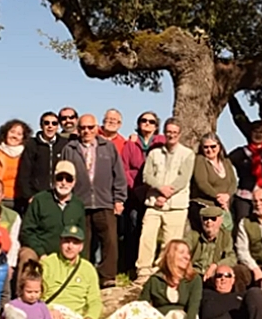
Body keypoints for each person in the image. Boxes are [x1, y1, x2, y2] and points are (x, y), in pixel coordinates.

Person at [63, 114, 128, 288]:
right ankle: (81, 276)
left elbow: (119, 175)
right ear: (78, 129)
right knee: (82, 242)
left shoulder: (108, 147)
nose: (87, 131)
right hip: (79, 202)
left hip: (105, 201)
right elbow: (64, 174)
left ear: (96, 127)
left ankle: (107, 277)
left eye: (90, 127)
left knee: (110, 242)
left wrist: (119, 199)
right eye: (83, 128)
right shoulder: (70, 148)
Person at [139, 239, 216, 319]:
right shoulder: (155, 280)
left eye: (188, 253)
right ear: (171, 255)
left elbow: (193, 306)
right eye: (182, 252)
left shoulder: (194, 279)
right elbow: (141, 306)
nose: (187, 256)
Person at [136, 119, 195, 282]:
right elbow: (147, 175)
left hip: (176, 205)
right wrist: (160, 189)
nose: (172, 135)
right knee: (147, 237)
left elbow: (183, 179)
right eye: (169, 132)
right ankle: (143, 271)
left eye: (175, 132)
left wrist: (167, 194)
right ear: (164, 132)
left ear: (180, 134)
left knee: (170, 243)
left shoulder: (187, 154)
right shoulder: (154, 153)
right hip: (154, 203)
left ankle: (161, 271)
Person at [41, 225, 100, 319]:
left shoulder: (88, 269)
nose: (70, 246)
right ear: (60, 242)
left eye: (75, 243)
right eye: (67, 241)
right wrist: (47, 310)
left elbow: (95, 301)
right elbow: (34, 296)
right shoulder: (47, 263)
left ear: (81, 247)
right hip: (51, 316)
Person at [17, 161, 86, 276]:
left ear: (74, 182)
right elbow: (27, 232)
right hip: (41, 252)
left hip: (67, 253)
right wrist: (41, 253)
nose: (64, 183)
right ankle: (22, 293)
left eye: (68, 179)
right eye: (60, 178)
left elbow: (82, 236)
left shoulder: (78, 205)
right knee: (27, 257)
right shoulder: (40, 200)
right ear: (54, 180)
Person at [121, 111, 165, 275]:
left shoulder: (161, 142)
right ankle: (130, 265)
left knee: (152, 231)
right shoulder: (130, 144)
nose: (147, 123)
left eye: (151, 121)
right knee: (133, 227)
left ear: (156, 125)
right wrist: (136, 189)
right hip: (134, 192)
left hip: (154, 192)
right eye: (143, 120)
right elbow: (124, 168)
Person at [228, 121, 262, 226]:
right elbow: (225, 164)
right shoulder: (240, 153)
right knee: (242, 224)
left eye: (261, 132)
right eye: (255, 132)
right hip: (244, 196)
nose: (258, 135)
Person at [15, 111, 68, 211]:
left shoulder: (64, 144)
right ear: (41, 125)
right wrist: (29, 196)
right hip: (37, 196)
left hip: (60, 196)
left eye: (54, 123)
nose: (50, 126)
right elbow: (24, 173)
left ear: (58, 126)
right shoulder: (31, 145)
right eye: (46, 123)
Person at [189, 133, 236, 231]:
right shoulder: (200, 160)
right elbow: (202, 183)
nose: (209, 150)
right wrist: (218, 197)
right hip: (205, 206)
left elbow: (233, 182)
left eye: (213, 146)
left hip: (224, 206)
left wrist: (227, 195)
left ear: (219, 146)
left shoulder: (226, 162)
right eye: (206, 147)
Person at [185, 206, 237, 282]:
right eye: (205, 219)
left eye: (213, 219)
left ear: (220, 220)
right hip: (194, 274)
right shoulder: (193, 235)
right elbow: (183, 254)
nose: (209, 222)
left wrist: (216, 266)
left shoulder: (226, 236)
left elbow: (232, 258)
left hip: (215, 276)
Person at [0, 119, 31, 209]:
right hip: (0, 199)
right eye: (12, 132)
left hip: (20, 200)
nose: (14, 136)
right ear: (5, 133)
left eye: (19, 134)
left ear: (23, 138)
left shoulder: (27, 155)